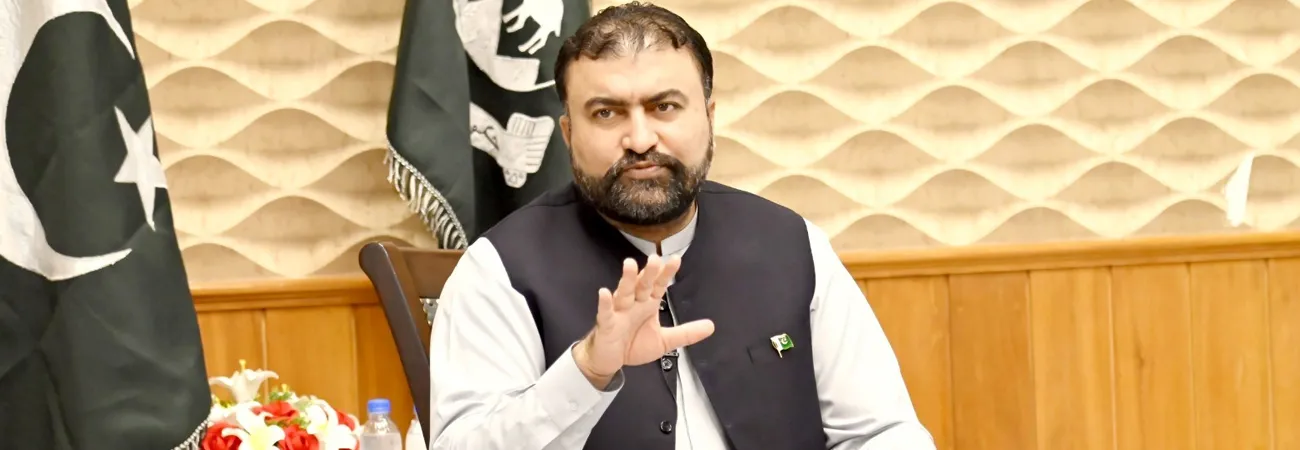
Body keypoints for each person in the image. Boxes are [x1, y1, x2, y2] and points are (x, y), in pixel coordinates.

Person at [425, 2, 935, 449]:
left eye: (664, 107)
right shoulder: (499, 270)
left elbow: (881, 433)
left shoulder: (792, 245)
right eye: (606, 113)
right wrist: (586, 371)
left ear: (709, 116)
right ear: (568, 133)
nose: (640, 139)